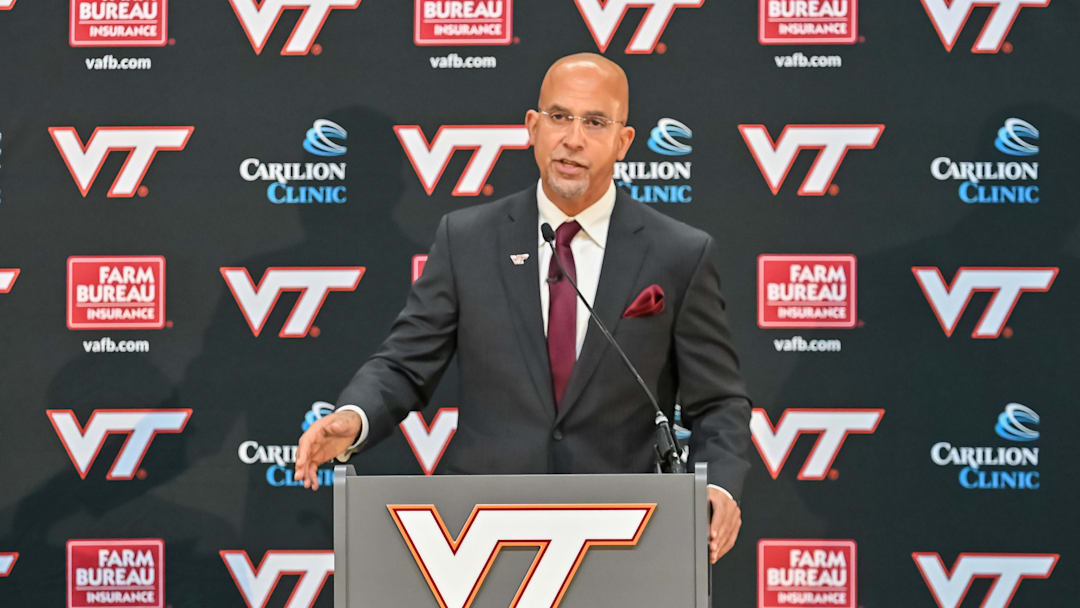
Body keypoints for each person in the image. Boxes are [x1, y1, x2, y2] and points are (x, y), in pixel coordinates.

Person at [295, 53, 752, 563]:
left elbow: (718, 402)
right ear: (532, 128)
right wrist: (353, 417)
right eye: (559, 117)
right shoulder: (466, 239)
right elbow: (405, 364)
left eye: (595, 122)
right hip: (480, 535)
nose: (572, 138)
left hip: (624, 537)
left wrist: (721, 486)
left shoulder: (678, 254)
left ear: (623, 142)